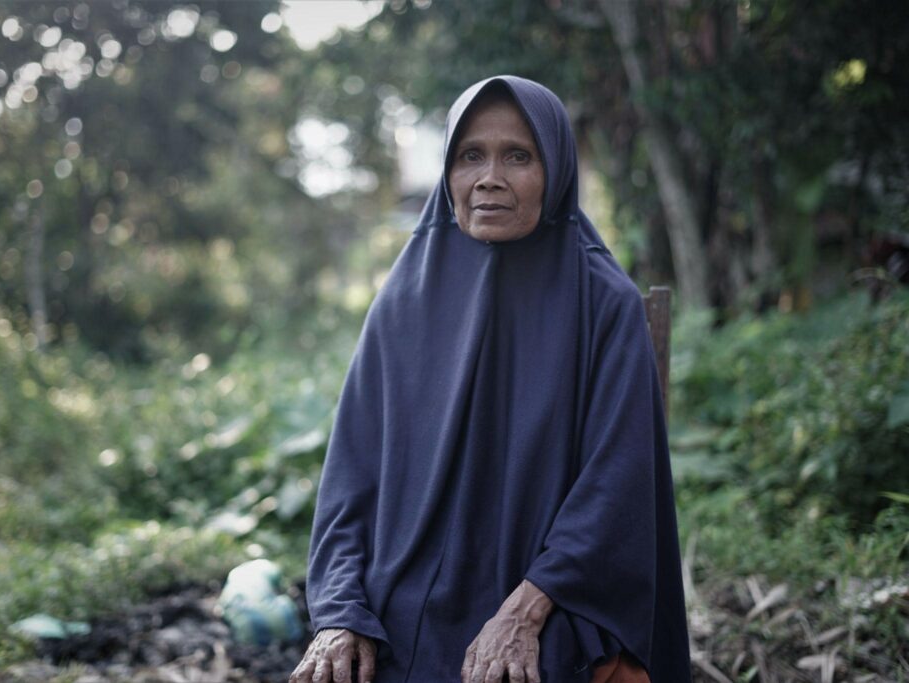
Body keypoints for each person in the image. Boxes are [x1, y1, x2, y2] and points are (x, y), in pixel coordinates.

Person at [289, 75, 692, 683]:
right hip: (400, 598)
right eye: (470, 156)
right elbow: (351, 478)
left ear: (554, 169)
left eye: (518, 157)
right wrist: (341, 613)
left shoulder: (602, 303)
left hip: (552, 594)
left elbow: (616, 487)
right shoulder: (405, 300)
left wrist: (526, 612)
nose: (489, 178)